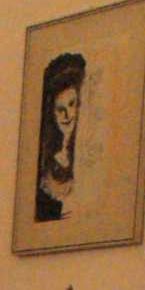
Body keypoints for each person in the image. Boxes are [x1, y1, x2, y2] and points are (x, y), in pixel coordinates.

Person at [34, 51, 84, 223]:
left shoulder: (83, 154)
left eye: (72, 104)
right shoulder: (46, 159)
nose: (67, 115)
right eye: (60, 110)